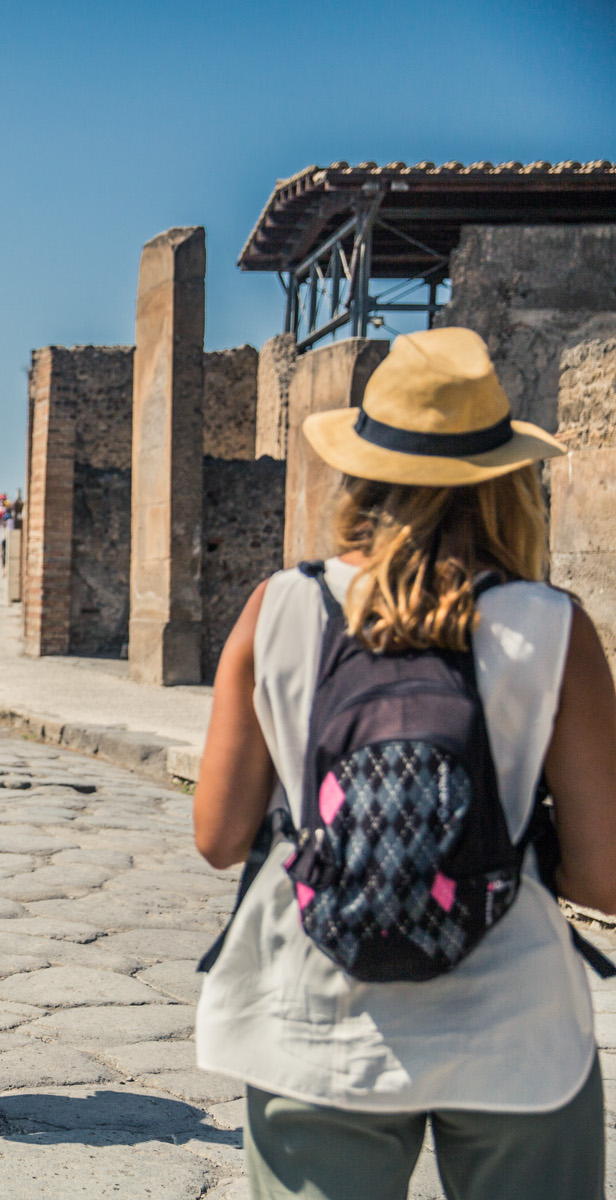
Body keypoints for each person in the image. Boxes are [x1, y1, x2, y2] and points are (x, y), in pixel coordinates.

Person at [194, 328, 616, 1200]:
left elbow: (220, 836)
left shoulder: (280, 608)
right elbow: (608, 875)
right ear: (506, 479)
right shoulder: (553, 625)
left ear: (362, 473)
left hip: (318, 1016)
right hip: (516, 1026)